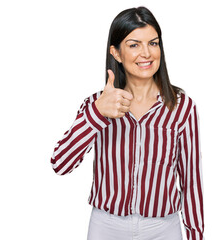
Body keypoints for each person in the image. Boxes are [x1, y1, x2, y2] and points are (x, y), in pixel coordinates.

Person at [50, 6, 204, 240]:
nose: (147, 53)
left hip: (163, 229)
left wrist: (196, 234)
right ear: (116, 53)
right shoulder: (96, 105)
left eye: (153, 43)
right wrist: (97, 113)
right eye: (134, 45)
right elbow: (61, 163)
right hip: (106, 227)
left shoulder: (182, 107)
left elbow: (191, 182)